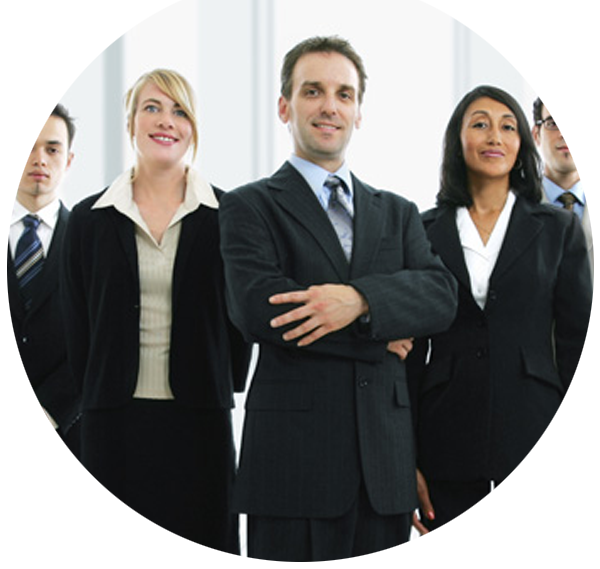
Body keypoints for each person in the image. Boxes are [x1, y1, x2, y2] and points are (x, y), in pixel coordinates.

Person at [219, 35, 458, 562]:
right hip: (292, 468)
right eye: (313, 91)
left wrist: (360, 301)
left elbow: (441, 295)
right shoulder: (248, 206)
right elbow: (258, 309)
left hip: (384, 471)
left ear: (358, 113)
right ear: (285, 107)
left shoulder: (397, 212)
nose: (330, 106)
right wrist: (378, 333)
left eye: (344, 94)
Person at [60, 69, 251, 561]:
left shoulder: (229, 214)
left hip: (200, 416)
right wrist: (94, 385)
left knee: (202, 546)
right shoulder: (87, 219)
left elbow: (241, 317)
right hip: (113, 419)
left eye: (179, 111)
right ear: (130, 122)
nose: (166, 121)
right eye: (152, 108)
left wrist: (222, 377)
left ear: (193, 128)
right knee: (113, 548)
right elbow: (77, 323)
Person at [408, 85, 593, 561]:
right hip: (445, 436)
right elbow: (409, 356)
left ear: (522, 143)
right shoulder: (422, 230)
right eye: (480, 124)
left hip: (538, 437)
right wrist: (405, 459)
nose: (495, 136)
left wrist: (578, 458)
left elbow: (579, 349)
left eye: (508, 126)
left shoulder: (557, 229)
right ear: (457, 140)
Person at [7, 92, 80, 561]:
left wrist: (44, 408)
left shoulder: (92, 242)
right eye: (26, 145)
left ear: (69, 160)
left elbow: (104, 341)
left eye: (52, 148)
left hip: (66, 451)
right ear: (6, 152)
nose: (40, 159)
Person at [532, 77, 594, 562]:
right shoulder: (512, 214)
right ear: (536, 134)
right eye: (554, 122)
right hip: (545, 412)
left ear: (591, 130)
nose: (565, 131)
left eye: (576, 121)